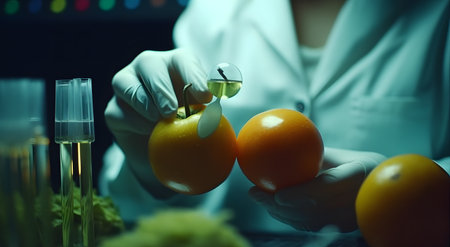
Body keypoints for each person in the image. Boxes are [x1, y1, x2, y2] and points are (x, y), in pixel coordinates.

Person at [100, 0, 450, 234]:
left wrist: (410, 191)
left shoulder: (439, 14)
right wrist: (145, 167)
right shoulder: (213, 12)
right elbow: (128, 206)